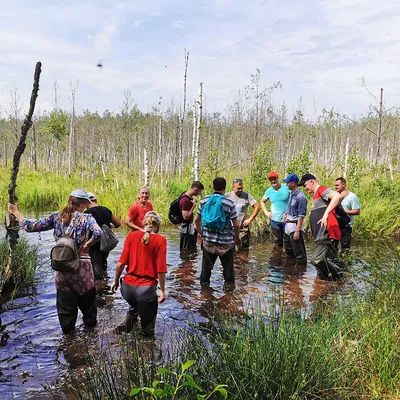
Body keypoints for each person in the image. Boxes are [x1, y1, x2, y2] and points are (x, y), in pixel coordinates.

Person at [7, 189, 102, 334]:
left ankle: (68, 340)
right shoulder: (87, 218)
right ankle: (90, 338)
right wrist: (87, 246)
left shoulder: (56, 217)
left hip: (61, 269)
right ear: (83, 205)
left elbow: (29, 227)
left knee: (65, 310)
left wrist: (16, 212)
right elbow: (98, 233)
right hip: (82, 269)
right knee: (89, 309)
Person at [111, 211, 167, 337]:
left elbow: (121, 264)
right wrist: (162, 291)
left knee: (134, 306)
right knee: (148, 327)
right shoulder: (161, 240)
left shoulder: (131, 236)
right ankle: (145, 347)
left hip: (127, 288)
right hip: (145, 289)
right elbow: (161, 269)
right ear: (157, 226)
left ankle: (126, 329)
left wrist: (115, 281)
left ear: (143, 224)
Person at [194, 177, 241, 287]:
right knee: (228, 274)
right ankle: (228, 296)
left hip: (208, 243)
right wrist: (237, 238)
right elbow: (236, 225)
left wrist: (200, 233)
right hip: (225, 244)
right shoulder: (229, 202)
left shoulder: (204, 200)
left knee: (205, 274)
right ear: (224, 188)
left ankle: (205, 295)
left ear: (213, 186)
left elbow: (196, 220)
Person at [298, 174, 344, 280]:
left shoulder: (321, 190)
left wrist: (326, 213)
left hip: (327, 233)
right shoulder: (316, 195)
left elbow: (337, 196)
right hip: (320, 235)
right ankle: (330, 288)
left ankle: (340, 274)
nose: (304, 188)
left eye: (305, 185)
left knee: (316, 259)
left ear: (312, 182)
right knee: (323, 268)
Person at [85, 192, 121, 281]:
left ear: (85, 202)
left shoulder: (86, 213)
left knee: (96, 271)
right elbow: (118, 224)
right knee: (103, 264)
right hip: (106, 243)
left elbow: (85, 232)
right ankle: (106, 283)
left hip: (93, 245)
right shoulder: (106, 210)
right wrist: (109, 226)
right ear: (96, 200)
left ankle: (99, 290)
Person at [225, 178, 260, 248]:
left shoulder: (246, 195)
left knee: (244, 249)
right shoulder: (227, 196)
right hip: (230, 227)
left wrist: (250, 219)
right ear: (233, 187)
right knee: (230, 250)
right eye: (238, 188)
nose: (240, 190)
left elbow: (257, 207)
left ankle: (243, 258)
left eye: (241, 188)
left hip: (242, 227)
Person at [282, 174, 307, 264]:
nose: (286, 184)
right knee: (288, 251)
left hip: (295, 226)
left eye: (287, 183)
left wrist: (297, 231)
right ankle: (291, 272)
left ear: (293, 183)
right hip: (288, 225)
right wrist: (286, 213)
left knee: (299, 254)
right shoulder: (291, 194)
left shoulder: (301, 197)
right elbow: (291, 208)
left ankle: (301, 274)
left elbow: (301, 215)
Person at [261, 172, 290, 247]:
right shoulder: (269, 191)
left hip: (287, 220)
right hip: (274, 220)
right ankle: (278, 257)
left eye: (274, 179)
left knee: (288, 240)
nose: (273, 181)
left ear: (278, 178)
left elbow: (295, 199)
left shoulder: (286, 188)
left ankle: (289, 257)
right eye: (271, 180)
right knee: (277, 242)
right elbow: (262, 201)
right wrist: (266, 212)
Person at [334, 177, 361, 251]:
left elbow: (357, 211)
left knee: (345, 249)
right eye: (335, 185)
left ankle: (345, 261)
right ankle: (334, 261)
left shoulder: (352, 196)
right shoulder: (334, 195)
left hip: (346, 226)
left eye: (337, 185)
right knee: (332, 247)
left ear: (343, 185)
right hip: (335, 225)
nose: (335, 187)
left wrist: (343, 211)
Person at [179, 181, 204, 252]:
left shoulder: (186, 195)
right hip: (185, 229)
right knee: (186, 250)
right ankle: (186, 261)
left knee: (192, 249)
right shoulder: (185, 200)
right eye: (199, 191)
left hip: (189, 227)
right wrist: (194, 206)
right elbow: (185, 216)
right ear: (195, 189)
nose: (199, 194)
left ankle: (190, 261)